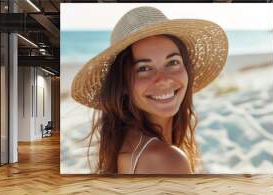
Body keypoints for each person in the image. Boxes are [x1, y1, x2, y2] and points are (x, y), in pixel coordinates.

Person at [71, 6, 228, 174]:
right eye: (144, 68)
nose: (164, 79)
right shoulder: (165, 159)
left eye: (172, 62)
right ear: (122, 85)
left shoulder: (127, 143)